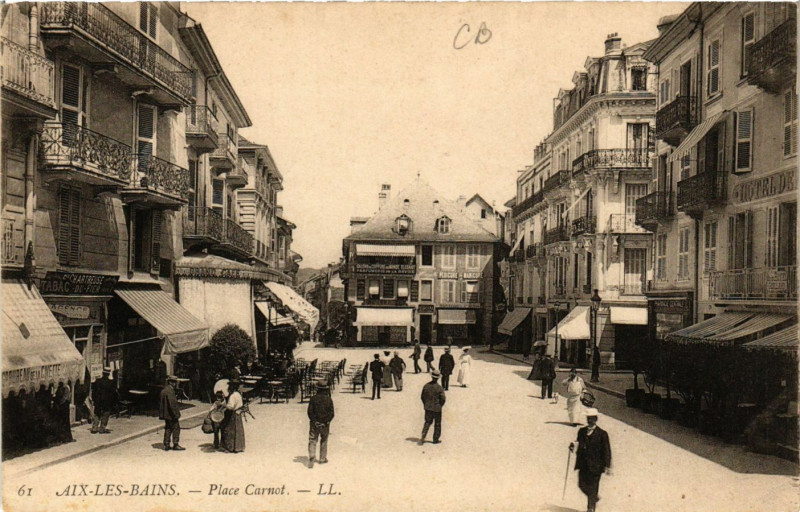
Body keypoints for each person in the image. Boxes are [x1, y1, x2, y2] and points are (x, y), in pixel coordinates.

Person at [569, 408, 612, 512]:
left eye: (592, 418)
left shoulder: (602, 434)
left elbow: (607, 451)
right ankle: (594, 498)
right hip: (583, 464)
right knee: (581, 484)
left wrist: (607, 465)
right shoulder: (582, 431)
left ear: (596, 419)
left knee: (593, 487)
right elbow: (577, 443)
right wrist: (572, 446)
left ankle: (591, 508)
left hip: (596, 466)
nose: (589, 420)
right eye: (588, 418)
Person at [307, 379, 335, 468]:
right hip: (325, 424)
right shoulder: (329, 399)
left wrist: (315, 421)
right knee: (324, 440)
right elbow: (332, 413)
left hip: (314, 424)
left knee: (312, 440)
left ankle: (312, 456)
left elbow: (310, 412)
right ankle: (322, 458)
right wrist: (326, 421)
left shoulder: (313, 398)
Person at [419, 369, 446, 445]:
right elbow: (443, 399)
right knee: (437, 423)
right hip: (437, 408)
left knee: (427, 422)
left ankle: (423, 437)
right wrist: (440, 405)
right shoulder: (439, 388)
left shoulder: (426, 386)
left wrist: (425, 404)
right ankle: (435, 439)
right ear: (438, 378)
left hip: (428, 407)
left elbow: (422, 397)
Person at [159, 376, 185, 451]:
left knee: (168, 428)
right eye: (174, 382)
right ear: (170, 382)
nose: (175, 383)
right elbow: (172, 404)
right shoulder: (170, 391)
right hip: (171, 414)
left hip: (166, 414)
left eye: (175, 382)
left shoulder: (164, 390)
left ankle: (166, 444)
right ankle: (175, 444)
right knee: (176, 428)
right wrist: (176, 414)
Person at [221, 380, 245, 453]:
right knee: (238, 429)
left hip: (233, 414)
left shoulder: (232, 396)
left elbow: (230, 406)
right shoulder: (238, 394)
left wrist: (224, 404)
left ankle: (230, 447)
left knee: (229, 429)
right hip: (238, 413)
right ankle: (239, 446)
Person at [91, 368, 117, 434]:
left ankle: (94, 427)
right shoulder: (110, 383)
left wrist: (94, 400)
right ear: (108, 374)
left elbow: (93, 392)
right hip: (106, 401)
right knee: (105, 414)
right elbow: (113, 394)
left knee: (97, 413)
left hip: (98, 401)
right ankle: (102, 428)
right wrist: (113, 402)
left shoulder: (97, 381)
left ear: (102, 373)